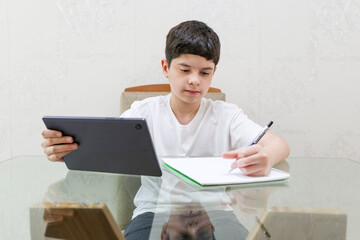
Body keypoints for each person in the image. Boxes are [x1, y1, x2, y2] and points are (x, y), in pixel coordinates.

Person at [41, 20, 290, 238]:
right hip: (153, 211)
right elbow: (103, 148)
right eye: (185, 70)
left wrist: (266, 156)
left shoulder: (226, 115)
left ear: (214, 73)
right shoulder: (143, 112)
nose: (195, 79)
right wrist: (63, 149)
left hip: (216, 213)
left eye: (205, 72)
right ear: (165, 68)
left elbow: (280, 145)